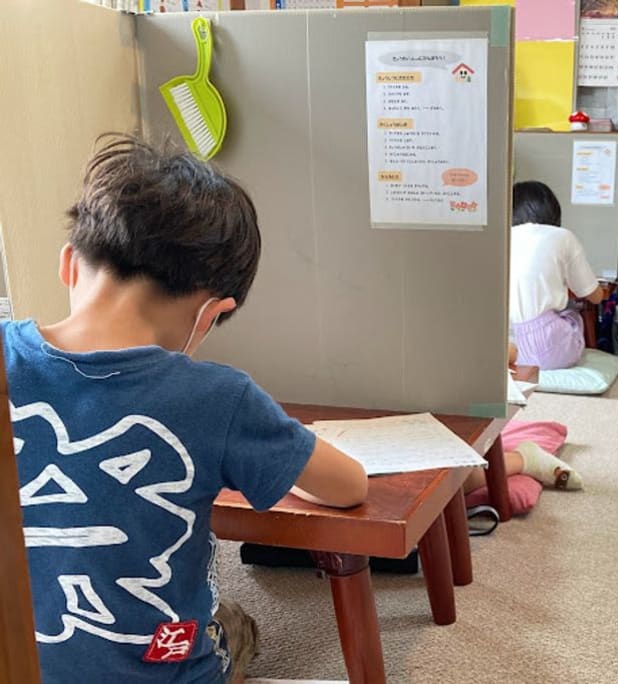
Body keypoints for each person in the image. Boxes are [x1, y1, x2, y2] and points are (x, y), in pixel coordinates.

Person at [7, 135, 367, 683]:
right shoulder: (219, 398)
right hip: (162, 673)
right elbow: (348, 486)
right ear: (210, 313)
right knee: (237, 624)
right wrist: (279, 459)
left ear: (69, 265)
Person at [509, 181, 604, 370]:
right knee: (572, 315)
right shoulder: (563, 236)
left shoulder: (503, 236)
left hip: (506, 342)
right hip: (548, 346)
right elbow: (595, 296)